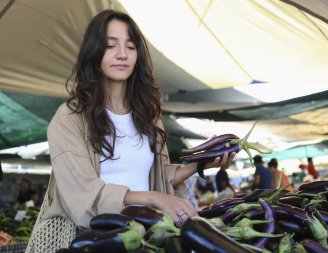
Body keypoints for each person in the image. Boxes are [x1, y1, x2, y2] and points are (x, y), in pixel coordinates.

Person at [28, 10, 236, 252]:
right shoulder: (70, 118)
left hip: (146, 235)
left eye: (130, 46)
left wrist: (201, 163)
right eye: (110, 45)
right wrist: (153, 198)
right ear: (94, 52)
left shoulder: (147, 114)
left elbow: (157, 174)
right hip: (96, 238)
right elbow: (83, 194)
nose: (122, 54)